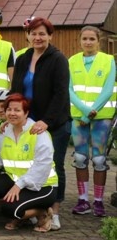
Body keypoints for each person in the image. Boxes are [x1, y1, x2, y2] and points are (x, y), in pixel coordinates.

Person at [10, 17, 70, 231]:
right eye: (34, 33)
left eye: (42, 33)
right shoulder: (23, 58)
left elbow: (61, 94)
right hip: (28, 123)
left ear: (50, 36)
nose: (37, 37)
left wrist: (47, 121)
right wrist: (10, 116)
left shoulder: (58, 59)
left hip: (55, 123)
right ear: (28, 36)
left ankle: (55, 211)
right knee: (30, 164)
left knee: (55, 166)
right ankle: (37, 208)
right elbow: (15, 89)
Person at [0, 94, 58, 232]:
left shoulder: (38, 133)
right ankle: (23, 212)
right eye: (9, 110)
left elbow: (41, 166)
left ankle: (42, 212)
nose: (12, 113)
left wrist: (19, 185)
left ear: (26, 113)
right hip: (17, 181)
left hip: (43, 185)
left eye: (17, 110)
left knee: (9, 210)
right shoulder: (5, 130)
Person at [69, 25, 116, 218]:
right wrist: (84, 111)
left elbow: (108, 88)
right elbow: (69, 89)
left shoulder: (108, 60)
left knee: (99, 160)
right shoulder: (71, 61)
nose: (88, 42)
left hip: (101, 116)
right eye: (85, 39)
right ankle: (82, 200)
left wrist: (91, 112)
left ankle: (98, 202)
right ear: (80, 41)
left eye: (92, 39)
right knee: (80, 158)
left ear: (99, 41)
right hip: (79, 116)